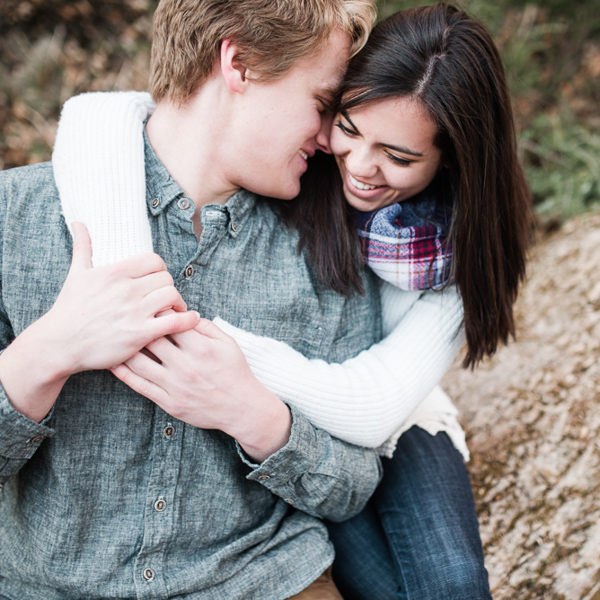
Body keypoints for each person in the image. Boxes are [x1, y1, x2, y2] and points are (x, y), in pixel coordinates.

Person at [51, 3, 531, 599]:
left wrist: (207, 344)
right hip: (312, 431)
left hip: (395, 417)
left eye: (400, 157)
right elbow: (106, 119)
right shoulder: (298, 166)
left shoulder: (460, 250)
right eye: (348, 128)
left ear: (451, 158)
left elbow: (377, 406)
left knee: (451, 582)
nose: (360, 166)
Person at [0, 1, 386, 599]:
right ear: (240, 63)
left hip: (264, 582)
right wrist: (49, 350)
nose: (331, 138)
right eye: (322, 103)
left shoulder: (329, 253)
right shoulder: (15, 217)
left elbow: (354, 487)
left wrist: (255, 417)